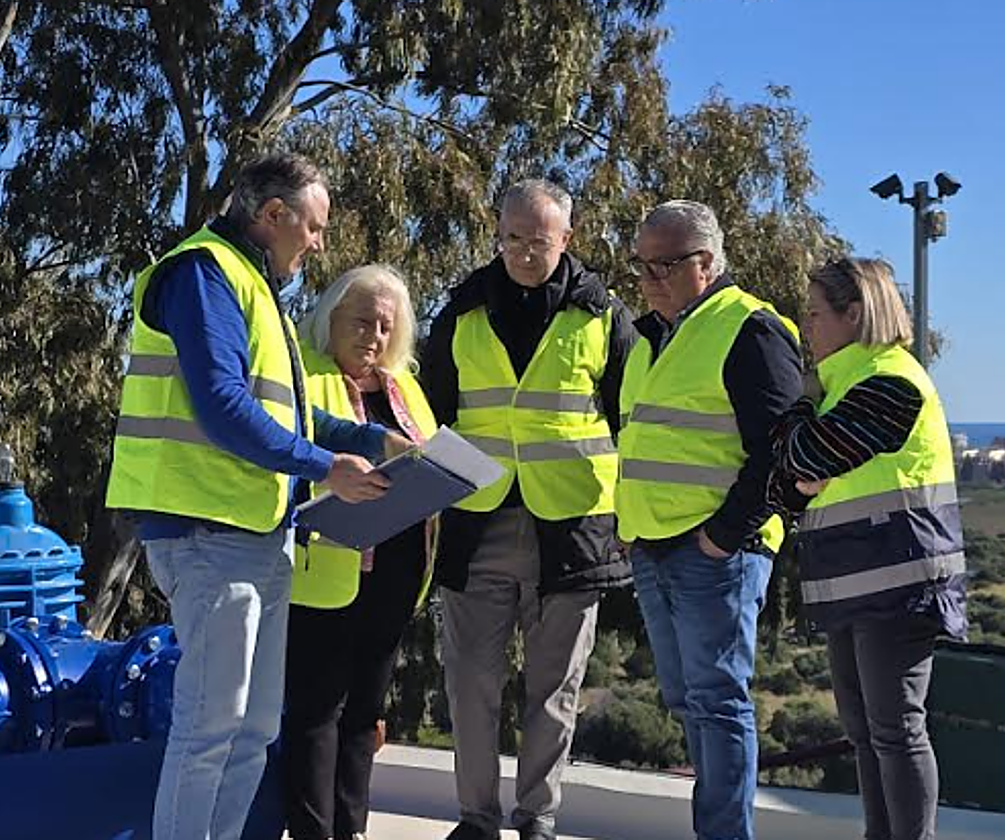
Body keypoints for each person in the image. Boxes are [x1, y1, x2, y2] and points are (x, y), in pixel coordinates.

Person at [106, 153, 407, 840]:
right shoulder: (203, 272)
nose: (319, 243)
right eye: (316, 226)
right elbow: (222, 407)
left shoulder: (253, 287)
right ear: (274, 216)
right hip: (207, 532)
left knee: (251, 731)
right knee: (211, 729)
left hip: (255, 534)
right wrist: (329, 467)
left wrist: (371, 439)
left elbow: (287, 417)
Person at [423, 179, 637, 840]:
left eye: (537, 241)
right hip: (475, 522)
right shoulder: (460, 311)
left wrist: (628, 521)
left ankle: (537, 820)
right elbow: (430, 418)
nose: (521, 252)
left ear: (566, 240)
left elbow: (634, 422)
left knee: (554, 691)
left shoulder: (605, 315)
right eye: (511, 238)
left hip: (572, 529)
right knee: (471, 687)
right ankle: (476, 821)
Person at [614, 200, 803, 840]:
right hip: (655, 547)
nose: (648, 279)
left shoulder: (750, 328)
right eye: (641, 265)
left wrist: (723, 536)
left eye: (663, 265)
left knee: (719, 704)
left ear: (706, 261)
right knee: (686, 701)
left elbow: (779, 454)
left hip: (716, 551)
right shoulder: (649, 336)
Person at [770, 257, 967, 840]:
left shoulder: (890, 380)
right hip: (854, 584)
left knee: (896, 730)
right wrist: (803, 445)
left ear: (853, 314)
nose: (806, 326)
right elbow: (787, 478)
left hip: (898, 587)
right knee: (866, 733)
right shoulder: (843, 386)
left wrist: (802, 415)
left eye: (813, 314)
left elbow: (802, 458)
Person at [283, 265, 439, 840]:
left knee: (362, 718)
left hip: (396, 573)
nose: (372, 336)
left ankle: (352, 830)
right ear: (329, 320)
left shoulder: (406, 388)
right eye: (361, 321)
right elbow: (296, 440)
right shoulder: (303, 373)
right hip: (324, 572)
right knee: (314, 715)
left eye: (384, 326)